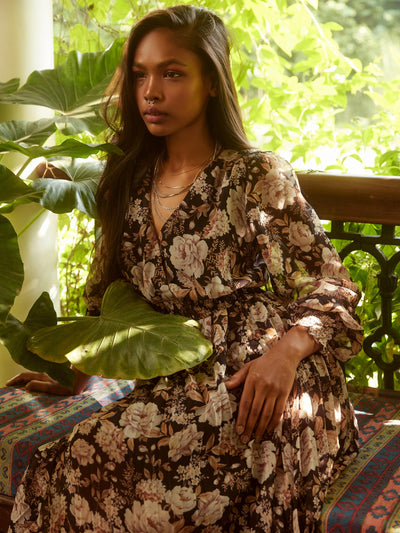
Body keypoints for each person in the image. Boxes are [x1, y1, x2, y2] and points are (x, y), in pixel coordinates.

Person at [7, 4, 363, 532]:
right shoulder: (124, 179)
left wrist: (285, 356)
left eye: (173, 74)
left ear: (212, 83)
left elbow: (332, 286)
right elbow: (111, 294)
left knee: (158, 475)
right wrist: (75, 372)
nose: (151, 91)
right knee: (65, 464)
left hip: (259, 376)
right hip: (173, 376)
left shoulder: (255, 175)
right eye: (141, 75)